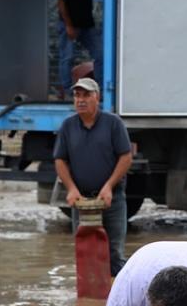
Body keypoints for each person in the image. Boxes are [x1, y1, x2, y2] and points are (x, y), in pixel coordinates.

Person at [54, 77, 131, 276]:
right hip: (81, 202)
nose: (81, 100)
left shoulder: (113, 123)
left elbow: (126, 156)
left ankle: (114, 294)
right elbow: (60, 160)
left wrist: (109, 186)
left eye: (86, 95)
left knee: (114, 254)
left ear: (97, 97)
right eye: (77, 95)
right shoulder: (68, 126)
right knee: (85, 253)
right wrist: (71, 189)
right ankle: (89, 296)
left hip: (111, 199)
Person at [55, 0, 103, 97]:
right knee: (67, 57)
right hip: (68, 23)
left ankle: (101, 89)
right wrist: (69, 25)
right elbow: (61, 3)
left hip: (86, 24)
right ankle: (68, 92)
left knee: (101, 54)